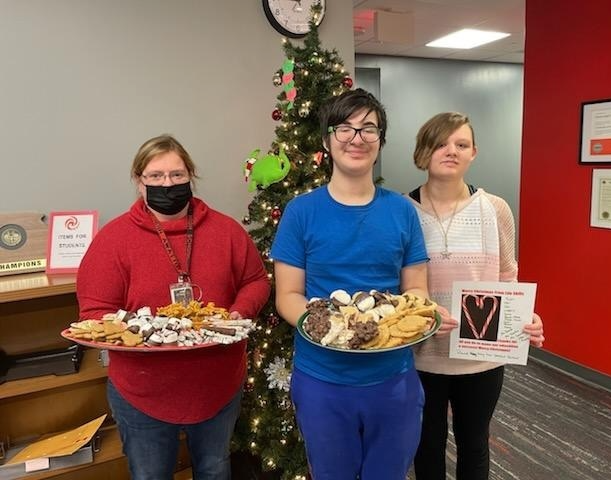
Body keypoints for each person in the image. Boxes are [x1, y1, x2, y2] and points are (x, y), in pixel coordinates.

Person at [271, 88, 454, 480]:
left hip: (393, 378)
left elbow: (415, 287)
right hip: (323, 380)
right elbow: (287, 295)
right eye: (345, 129)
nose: (357, 139)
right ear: (326, 140)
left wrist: (423, 311)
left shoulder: (402, 211)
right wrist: (335, 328)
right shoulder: (301, 212)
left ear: (381, 141)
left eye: (369, 129)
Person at [76, 134, 271, 480]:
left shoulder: (226, 231)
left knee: (214, 469)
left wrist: (239, 312)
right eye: (156, 176)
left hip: (218, 385)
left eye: (177, 175)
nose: (168, 184)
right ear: (139, 182)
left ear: (190, 177)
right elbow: (94, 314)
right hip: (142, 391)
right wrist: (139, 332)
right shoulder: (112, 241)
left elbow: (256, 280)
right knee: (150, 475)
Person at [407, 112, 545, 480]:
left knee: (474, 445)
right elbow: (394, 286)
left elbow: (507, 278)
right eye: (440, 143)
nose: (451, 151)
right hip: (421, 358)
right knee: (426, 446)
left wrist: (525, 317)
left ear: (473, 153)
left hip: (481, 360)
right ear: (423, 152)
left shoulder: (495, 209)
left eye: (461, 144)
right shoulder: (403, 212)